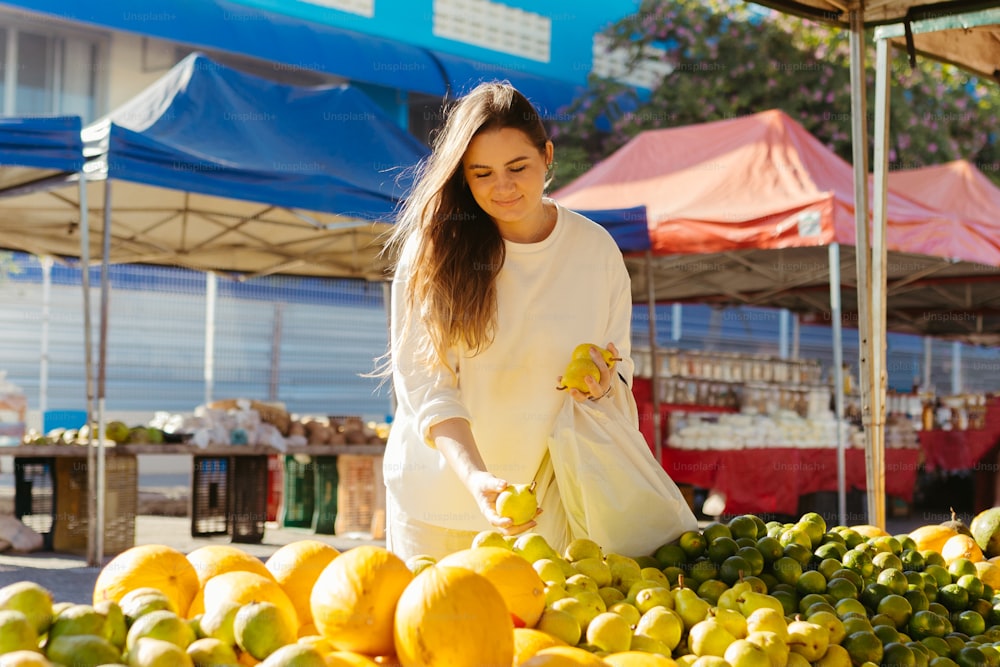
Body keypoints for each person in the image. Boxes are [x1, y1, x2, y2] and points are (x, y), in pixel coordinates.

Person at [379, 81, 635, 562]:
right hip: (434, 507)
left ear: (548, 156)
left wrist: (603, 385)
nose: (503, 187)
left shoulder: (595, 250)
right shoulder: (433, 250)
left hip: (539, 516)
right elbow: (427, 385)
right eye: (482, 174)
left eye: (518, 167)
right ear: (463, 177)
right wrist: (476, 478)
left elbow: (619, 368)